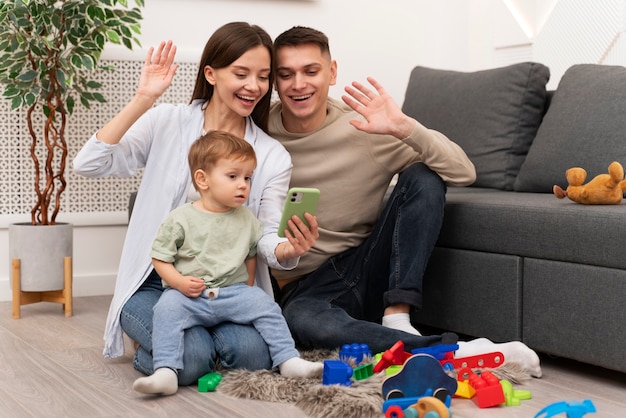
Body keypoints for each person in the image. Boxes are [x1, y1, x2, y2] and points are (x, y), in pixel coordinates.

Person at [267, 26, 542, 377]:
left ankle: (398, 316)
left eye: (311, 71)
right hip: (305, 287)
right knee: (302, 322)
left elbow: (464, 172)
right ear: (274, 81)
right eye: (286, 74)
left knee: (423, 176)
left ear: (332, 72)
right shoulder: (259, 132)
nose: (298, 84)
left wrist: (405, 128)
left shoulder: (364, 127)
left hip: (364, 264)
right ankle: (454, 351)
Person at [73, 22, 319, 386]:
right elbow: (88, 163)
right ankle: (186, 348)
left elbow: (264, 237)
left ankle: (179, 347)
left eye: (264, 77)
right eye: (241, 73)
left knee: (252, 356)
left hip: (229, 288)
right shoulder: (167, 122)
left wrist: (286, 250)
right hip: (158, 285)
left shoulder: (272, 155)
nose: (254, 86)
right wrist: (144, 99)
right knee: (193, 356)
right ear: (211, 73)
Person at [132, 132, 322, 395]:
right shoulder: (180, 218)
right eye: (233, 177)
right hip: (190, 294)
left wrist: (250, 285)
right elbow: (160, 258)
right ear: (202, 179)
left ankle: (288, 359)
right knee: (166, 308)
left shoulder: (247, 219)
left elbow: (250, 253)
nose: (243, 185)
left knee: (266, 306)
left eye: (247, 177)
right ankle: (165, 371)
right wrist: (178, 283)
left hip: (233, 293)